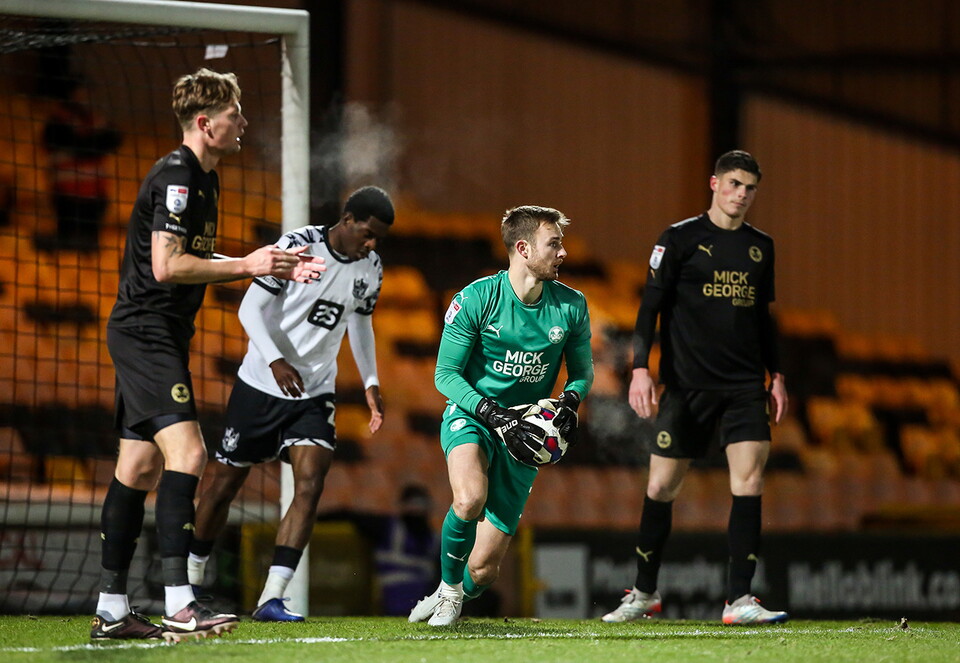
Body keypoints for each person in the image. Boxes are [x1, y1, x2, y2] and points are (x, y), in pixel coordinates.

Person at [92, 68, 324, 642]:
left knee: (138, 468)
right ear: (205, 122)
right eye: (233, 114)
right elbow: (167, 265)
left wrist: (271, 262)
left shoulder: (206, 180)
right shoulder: (177, 175)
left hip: (160, 334)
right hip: (146, 332)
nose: (243, 122)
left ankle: (112, 610)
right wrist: (247, 264)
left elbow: (192, 253)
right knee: (190, 454)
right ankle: (179, 603)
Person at [187, 185, 394, 621]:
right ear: (348, 219)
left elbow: (360, 323)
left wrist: (371, 381)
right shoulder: (298, 246)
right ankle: (191, 581)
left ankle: (272, 597)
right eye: (368, 233)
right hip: (260, 385)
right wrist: (275, 360)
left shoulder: (371, 268)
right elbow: (248, 310)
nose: (373, 244)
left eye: (379, 238)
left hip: (314, 393)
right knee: (223, 487)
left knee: (311, 483)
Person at [601, 150, 789, 625]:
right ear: (714, 183)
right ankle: (644, 592)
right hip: (687, 387)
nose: (741, 194)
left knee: (749, 482)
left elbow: (763, 318)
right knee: (661, 486)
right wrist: (639, 369)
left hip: (744, 387)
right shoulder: (679, 239)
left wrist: (777, 375)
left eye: (750, 188)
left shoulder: (761, 247)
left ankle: (739, 599)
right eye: (734, 184)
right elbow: (649, 309)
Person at [408, 205, 594, 627]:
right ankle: (450, 594)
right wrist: (492, 413)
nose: (563, 252)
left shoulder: (571, 305)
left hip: (526, 433)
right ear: (523, 249)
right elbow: (445, 375)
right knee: (469, 498)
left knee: (483, 572)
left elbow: (582, 373)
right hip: (473, 415)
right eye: (554, 244)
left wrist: (569, 401)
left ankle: (451, 588)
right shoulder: (476, 299)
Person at [40, 76, 121, 251]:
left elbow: (114, 139)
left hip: (94, 194)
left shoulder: (95, 120)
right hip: (67, 194)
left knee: (90, 244)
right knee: (67, 241)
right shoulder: (58, 121)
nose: (86, 97)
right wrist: (93, 142)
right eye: (82, 92)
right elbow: (75, 144)